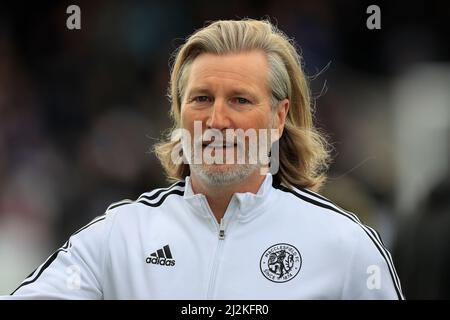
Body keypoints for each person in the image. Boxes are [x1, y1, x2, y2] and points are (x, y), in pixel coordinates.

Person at [3, 19, 404, 299]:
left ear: (279, 117)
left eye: (240, 100)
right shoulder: (119, 238)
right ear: (180, 114)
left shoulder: (345, 246)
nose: (217, 120)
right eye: (201, 99)